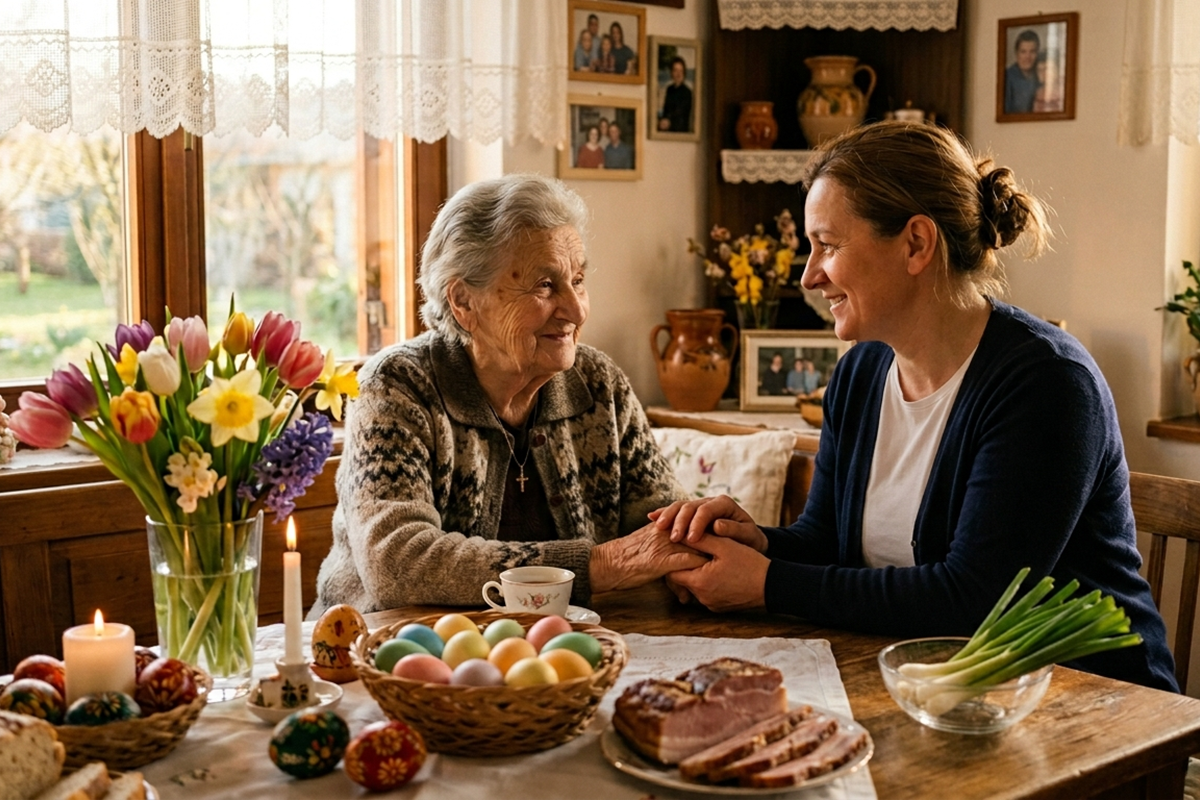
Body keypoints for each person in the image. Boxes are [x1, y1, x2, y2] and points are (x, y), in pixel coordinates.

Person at [652, 121, 1178, 692]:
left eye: (828, 245)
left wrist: (767, 583)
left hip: (1099, 702)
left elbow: (971, 599)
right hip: (942, 689)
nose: (809, 275)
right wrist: (754, 542)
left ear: (916, 244)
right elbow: (826, 543)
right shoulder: (860, 373)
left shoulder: (1047, 383)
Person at [313, 174, 704, 614]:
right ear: (463, 301)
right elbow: (397, 564)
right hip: (395, 644)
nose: (576, 310)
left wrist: (699, 538)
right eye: (544, 285)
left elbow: (666, 521)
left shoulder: (597, 383)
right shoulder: (398, 388)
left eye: (577, 280)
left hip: (561, 642)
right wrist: (596, 565)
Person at [1004, 29, 1041, 114]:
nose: (1028, 57)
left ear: (1037, 53)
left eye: (1032, 51)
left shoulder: (1041, 75)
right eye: (1023, 52)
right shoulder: (1007, 77)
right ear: (1017, 54)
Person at [658, 56, 693, 132]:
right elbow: (666, 110)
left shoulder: (687, 92)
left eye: (681, 71)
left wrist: (668, 122)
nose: (678, 74)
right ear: (671, 73)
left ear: (684, 73)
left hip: (681, 131)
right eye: (676, 70)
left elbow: (681, 114)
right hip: (668, 130)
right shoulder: (669, 89)